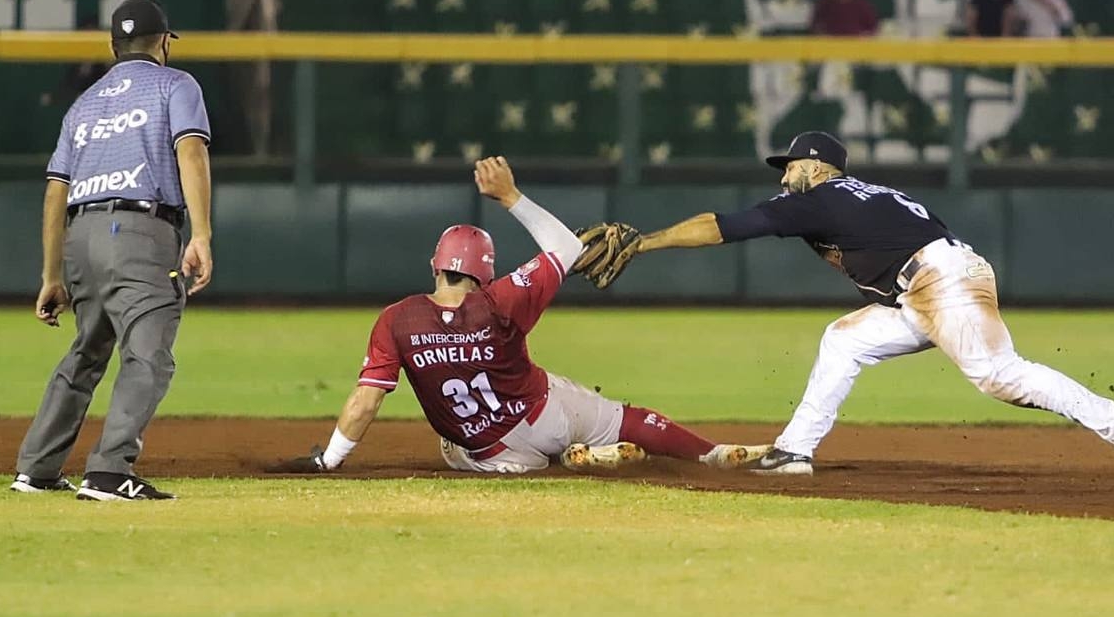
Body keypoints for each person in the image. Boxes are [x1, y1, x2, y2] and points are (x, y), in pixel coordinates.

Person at [573, 132, 1114, 479]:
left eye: (791, 167)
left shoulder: (822, 197)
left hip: (939, 281)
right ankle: (794, 451)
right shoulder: (860, 195)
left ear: (817, 166)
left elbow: (722, 226)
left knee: (997, 374)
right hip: (926, 286)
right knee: (845, 337)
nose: (785, 178)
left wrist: (647, 241)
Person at [279, 157, 764, 475]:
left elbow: (366, 403)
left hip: (492, 456)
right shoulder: (500, 298)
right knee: (624, 416)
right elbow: (568, 248)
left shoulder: (397, 320)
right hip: (544, 413)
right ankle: (709, 453)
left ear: (435, 265)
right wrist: (511, 196)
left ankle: (574, 462)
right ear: (485, 272)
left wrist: (328, 460)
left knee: (450, 450)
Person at [10, 0, 213, 501]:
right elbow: (190, 149)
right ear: (164, 42)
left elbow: (56, 188)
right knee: (148, 356)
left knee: (87, 351)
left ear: (114, 46)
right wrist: (203, 234)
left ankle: (35, 468)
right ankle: (108, 471)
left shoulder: (85, 103)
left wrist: (51, 274)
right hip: (140, 233)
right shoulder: (176, 84)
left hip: (82, 237)